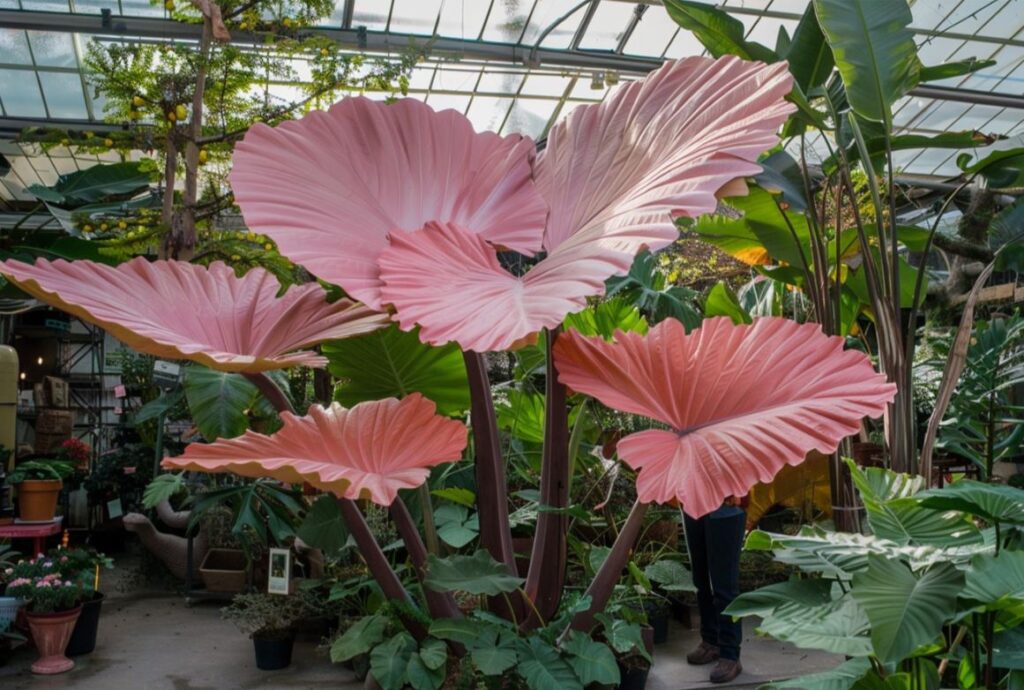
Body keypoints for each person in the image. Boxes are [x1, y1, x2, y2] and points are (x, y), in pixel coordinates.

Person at [682, 496, 747, 684]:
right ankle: (710, 641)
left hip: (727, 507)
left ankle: (730, 654)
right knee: (700, 581)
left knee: (724, 585)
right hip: (694, 505)